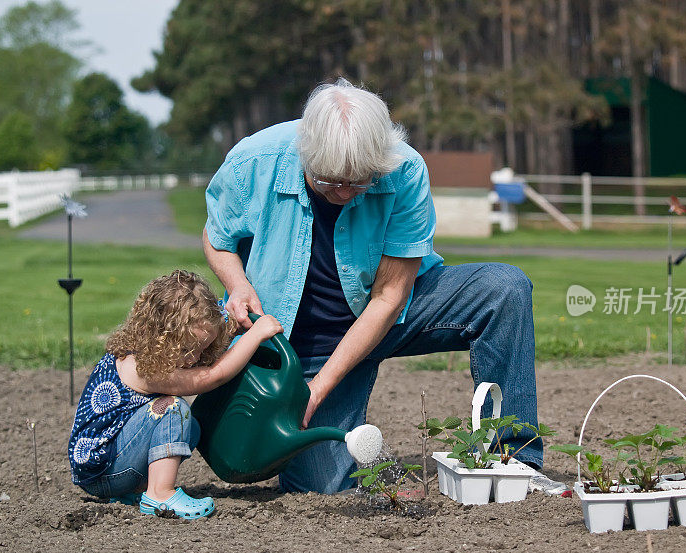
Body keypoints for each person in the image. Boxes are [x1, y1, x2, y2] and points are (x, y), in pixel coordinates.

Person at [204, 78, 563, 495]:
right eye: (329, 180)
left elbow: (389, 298)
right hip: (303, 340)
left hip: (391, 310)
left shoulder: (403, 170)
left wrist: (318, 390)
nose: (342, 192)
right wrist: (238, 283)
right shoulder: (253, 162)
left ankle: (514, 458)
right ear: (307, 152)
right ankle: (363, 456)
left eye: (359, 182)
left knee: (504, 289)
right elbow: (217, 239)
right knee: (324, 484)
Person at [68, 270, 283, 519]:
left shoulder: (148, 352)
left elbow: (205, 360)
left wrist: (233, 329)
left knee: (190, 427)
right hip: (104, 472)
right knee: (173, 408)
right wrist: (255, 336)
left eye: (200, 349)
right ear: (159, 337)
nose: (194, 358)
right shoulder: (144, 369)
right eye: (186, 349)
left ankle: (136, 490)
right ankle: (160, 493)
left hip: (111, 464)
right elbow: (212, 376)